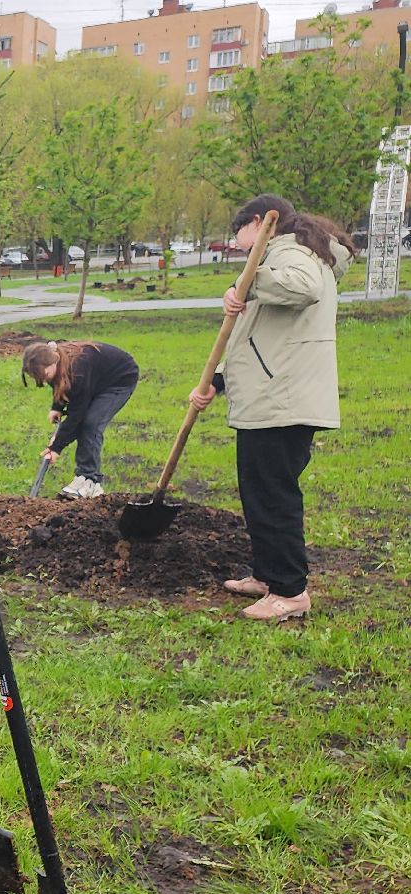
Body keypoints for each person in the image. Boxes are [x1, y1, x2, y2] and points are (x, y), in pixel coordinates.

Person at [189, 194, 351, 622]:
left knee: (274, 497)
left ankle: (289, 591)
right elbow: (255, 334)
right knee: (259, 493)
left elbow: (305, 288)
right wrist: (216, 382)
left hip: (283, 399)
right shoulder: (281, 255)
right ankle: (267, 576)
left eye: (238, 234)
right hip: (270, 397)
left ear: (258, 222)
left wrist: (247, 281)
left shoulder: (292, 252)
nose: (239, 245)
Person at [21, 340, 139, 499]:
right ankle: (85, 478)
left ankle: (90, 480)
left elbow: (78, 415)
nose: (43, 381)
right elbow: (62, 384)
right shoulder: (57, 365)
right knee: (86, 422)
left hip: (119, 379)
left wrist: (56, 446)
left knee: (91, 424)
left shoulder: (78, 369)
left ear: (54, 360)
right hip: (96, 381)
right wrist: (57, 406)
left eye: (44, 375)